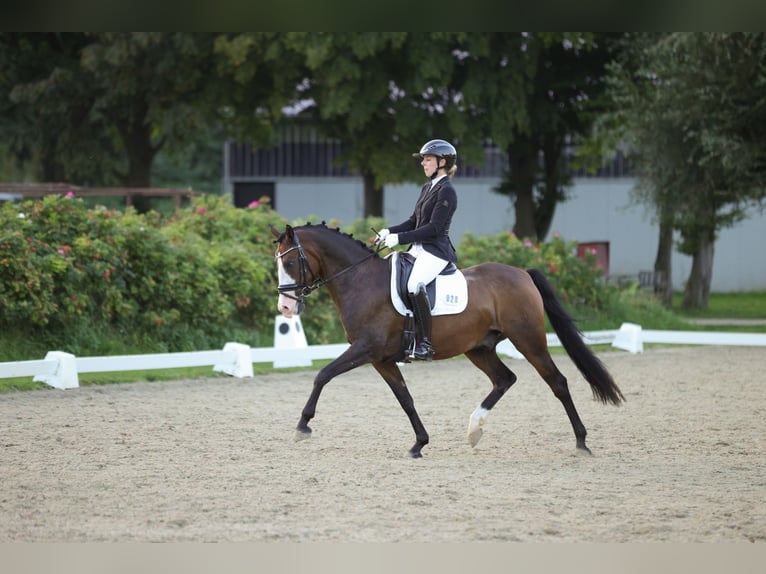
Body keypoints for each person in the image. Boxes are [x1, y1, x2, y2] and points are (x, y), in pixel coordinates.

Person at [377, 139, 459, 361]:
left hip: (435, 251)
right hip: (418, 250)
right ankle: (401, 338)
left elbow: (433, 228)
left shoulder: (447, 191)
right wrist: (388, 232)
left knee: (414, 285)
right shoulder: (427, 188)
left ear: (442, 162)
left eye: (427, 159)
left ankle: (425, 343)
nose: (423, 163)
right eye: (423, 159)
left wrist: (399, 238)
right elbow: (414, 221)